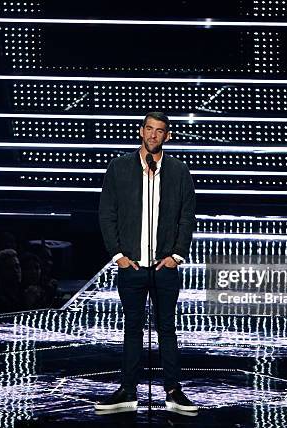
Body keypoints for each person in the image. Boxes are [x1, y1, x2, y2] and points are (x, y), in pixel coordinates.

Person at [96, 112, 197, 413]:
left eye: (160, 131)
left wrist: (176, 255)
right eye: (149, 129)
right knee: (132, 328)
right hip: (133, 266)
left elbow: (186, 215)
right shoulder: (119, 168)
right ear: (141, 132)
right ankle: (128, 390)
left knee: (167, 328)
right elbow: (107, 212)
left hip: (164, 267)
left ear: (168, 136)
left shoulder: (179, 171)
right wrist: (119, 257)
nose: (153, 135)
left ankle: (173, 391)